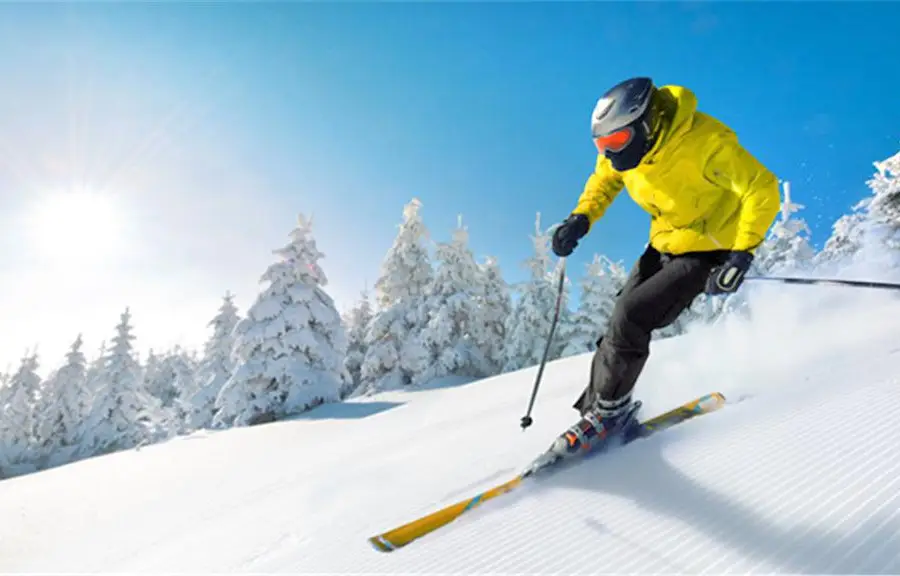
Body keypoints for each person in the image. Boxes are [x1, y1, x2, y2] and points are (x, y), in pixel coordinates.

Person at [549, 77, 780, 455]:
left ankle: (608, 417)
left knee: (633, 314)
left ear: (645, 124)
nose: (610, 153)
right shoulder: (625, 151)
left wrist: (742, 253)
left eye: (616, 142)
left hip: (708, 249)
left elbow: (762, 187)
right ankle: (599, 413)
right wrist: (581, 218)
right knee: (618, 322)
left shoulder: (705, 144)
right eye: (601, 145)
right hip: (664, 243)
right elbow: (604, 181)